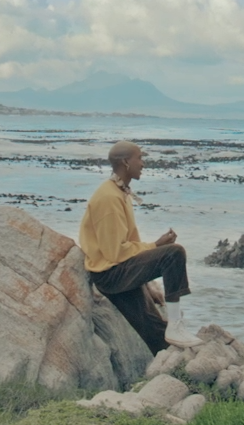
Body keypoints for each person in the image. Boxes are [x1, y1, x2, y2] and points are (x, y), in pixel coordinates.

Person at [79, 140, 191, 354]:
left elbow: (126, 245)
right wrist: (156, 245)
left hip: (116, 271)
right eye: (139, 158)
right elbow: (114, 253)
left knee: (155, 330)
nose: (143, 163)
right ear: (125, 162)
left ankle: (173, 372)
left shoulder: (119, 191)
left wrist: (146, 277)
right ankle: (176, 325)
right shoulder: (109, 198)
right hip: (111, 274)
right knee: (173, 254)